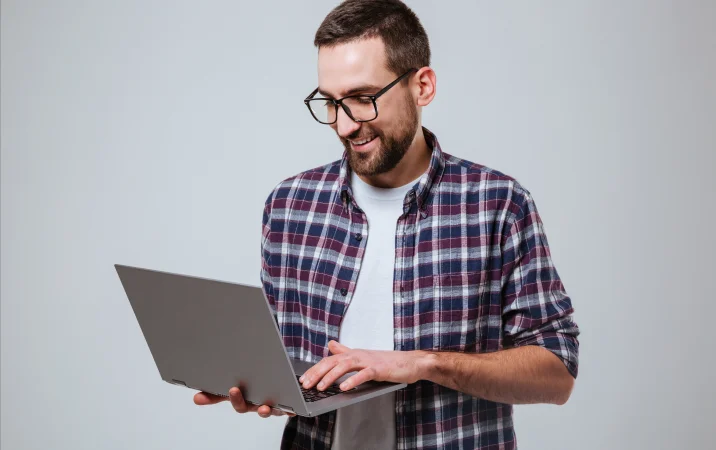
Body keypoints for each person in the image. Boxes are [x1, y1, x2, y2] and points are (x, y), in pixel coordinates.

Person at [194, 1, 580, 448]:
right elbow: (283, 363)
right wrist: (253, 383)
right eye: (331, 102)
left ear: (423, 86)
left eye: (363, 98)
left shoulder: (498, 205)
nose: (344, 124)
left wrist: (425, 363)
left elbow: (558, 372)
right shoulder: (289, 206)